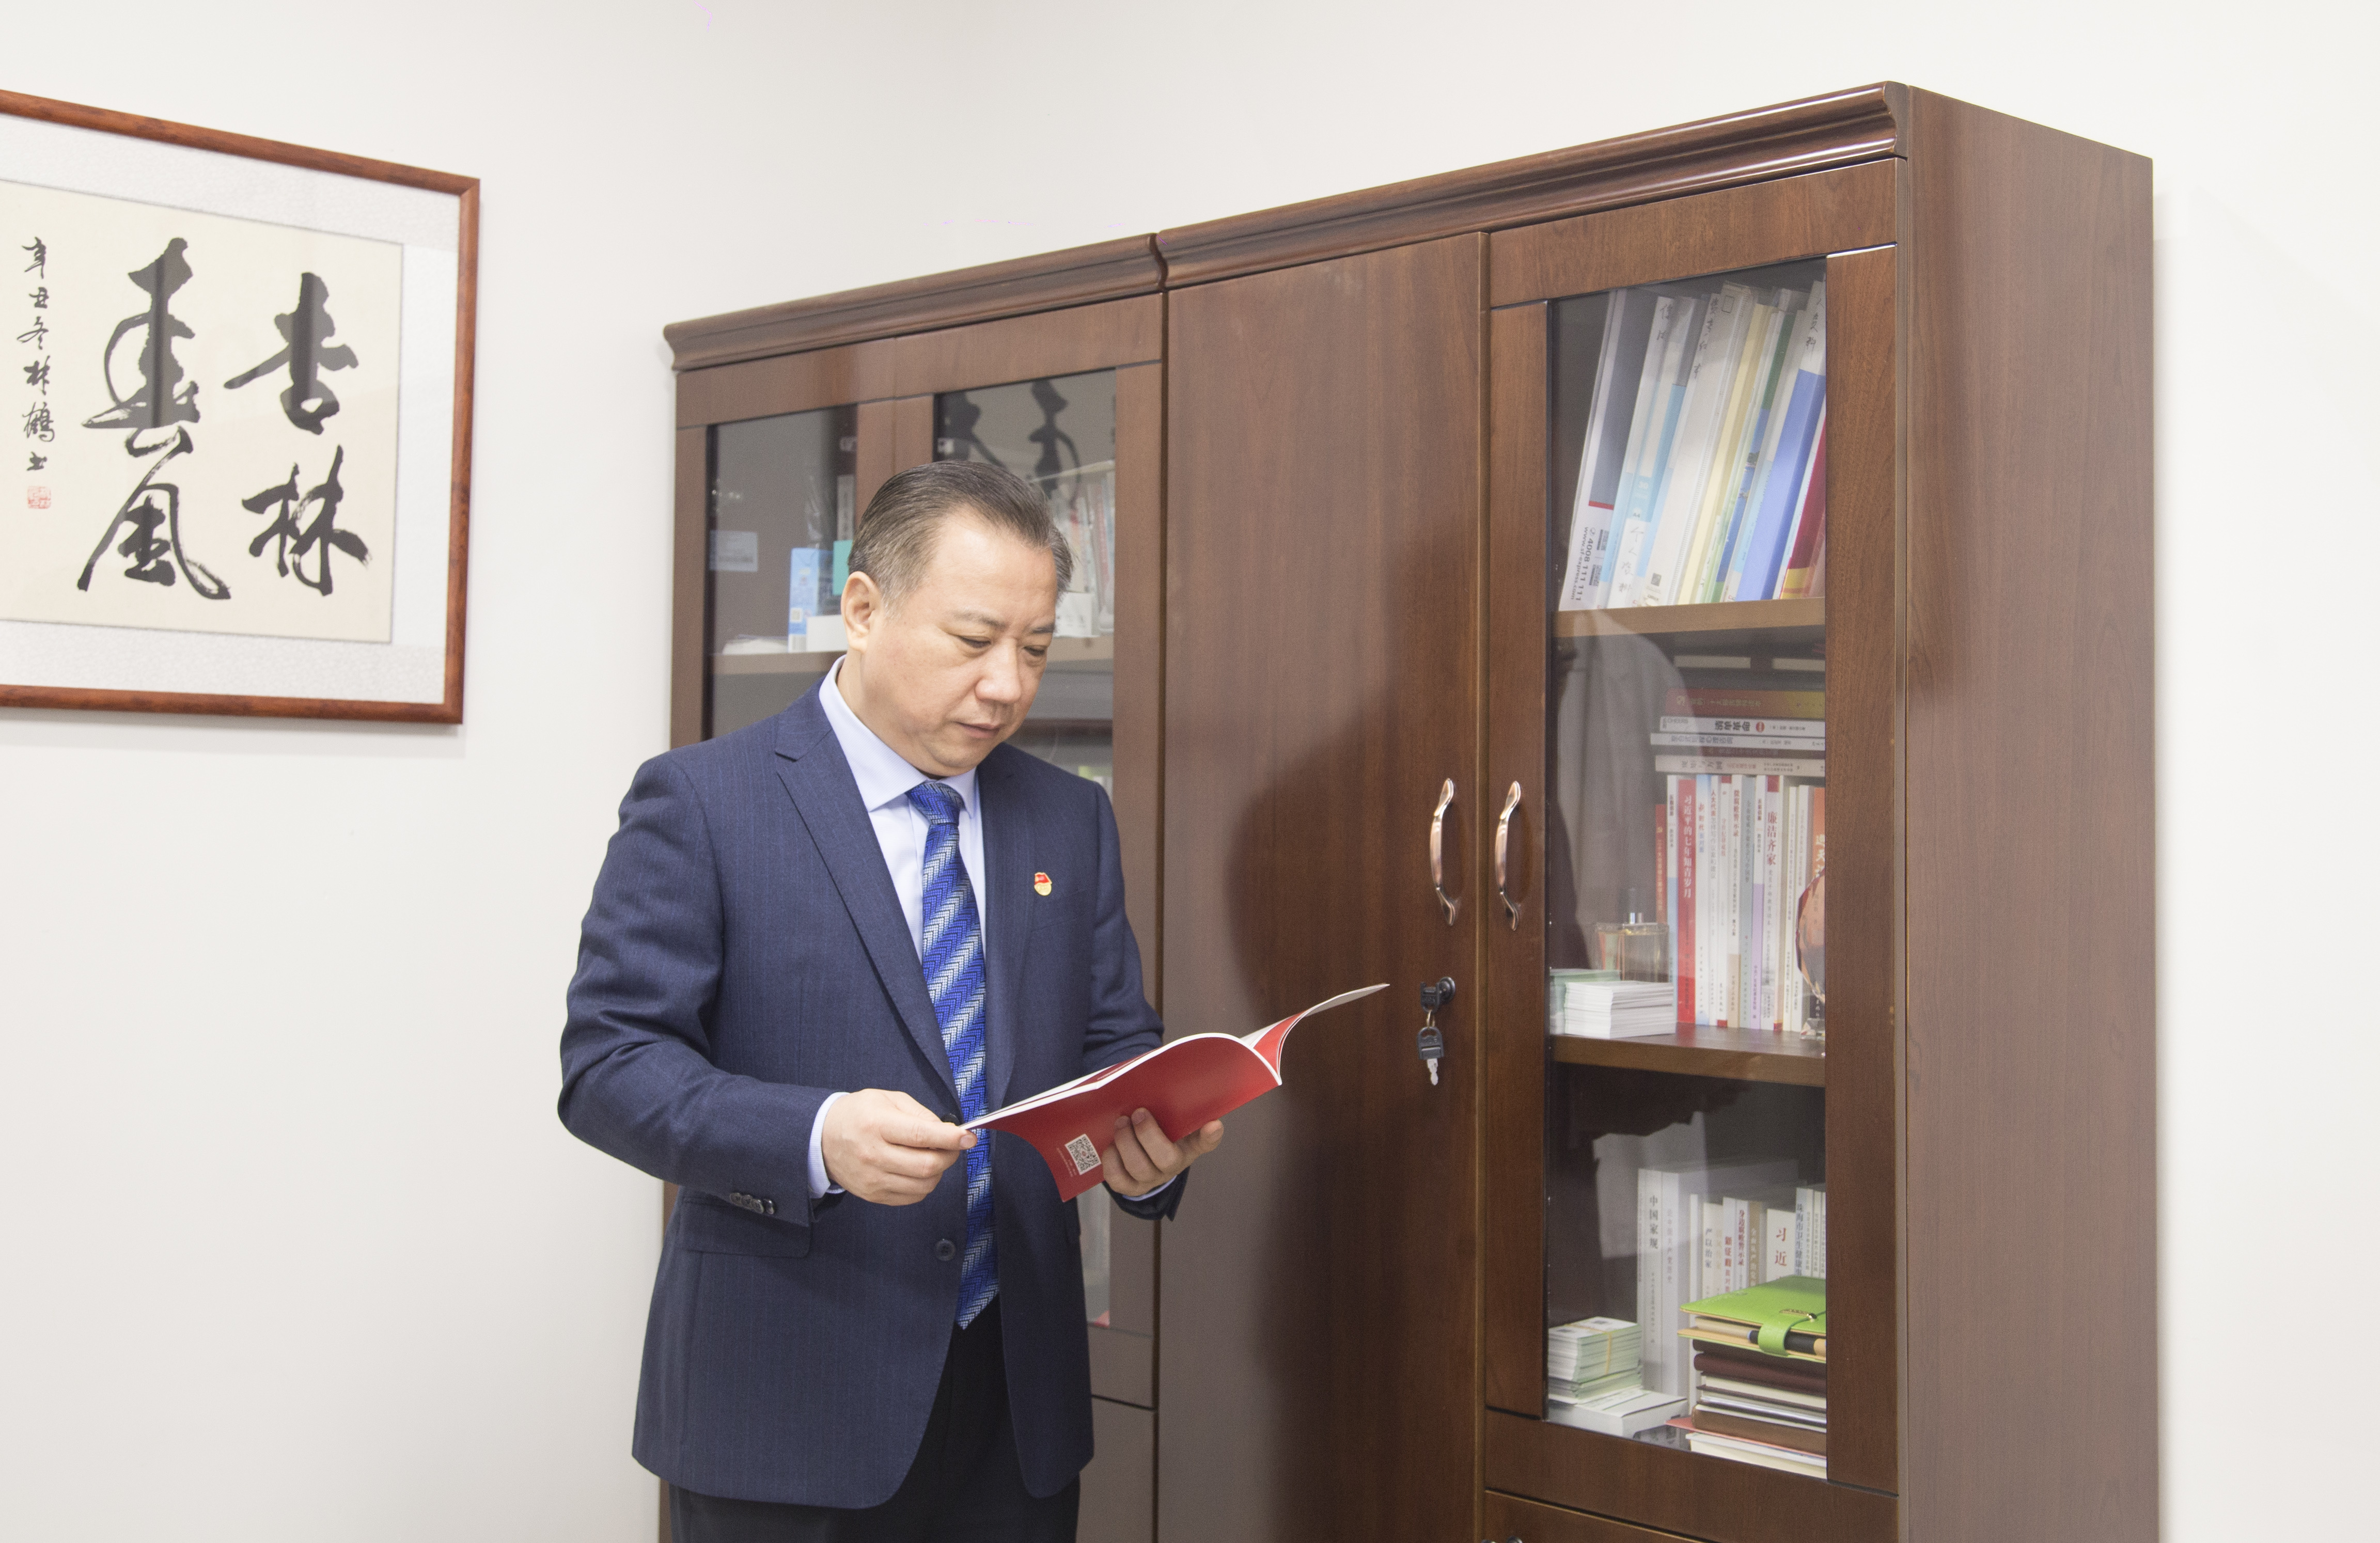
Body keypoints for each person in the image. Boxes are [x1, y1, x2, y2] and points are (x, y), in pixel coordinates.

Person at [559, 461, 1223, 1541]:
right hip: (788, 1402)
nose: (1008, 685)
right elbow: (610, 1068)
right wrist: (817, 1137)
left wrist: (1149, 1147)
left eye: (1036, 648)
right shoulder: (706, 801)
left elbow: (1113, 1043)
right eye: (974, 641)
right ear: (864, 610)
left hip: (1017, 1409)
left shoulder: (1067, 818)